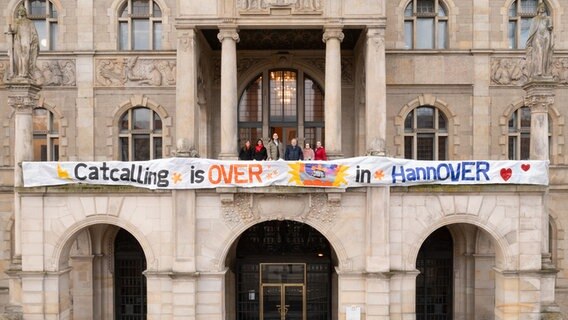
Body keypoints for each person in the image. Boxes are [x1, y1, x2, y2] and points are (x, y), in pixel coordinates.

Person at [9, 5, 39, 80]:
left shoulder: (30, 22)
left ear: (25, 12)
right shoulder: (16, 21)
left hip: (26, 41)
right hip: (17, 41)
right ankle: (18, 73)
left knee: (26, 57)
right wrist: (10, 30)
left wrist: (34, 42)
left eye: (23, 10)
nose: (21, 12)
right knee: (17, 57)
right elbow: (13, 30)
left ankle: (25, 73)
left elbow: (34, 34)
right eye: (20, 10)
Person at [525, 2, 554, 78]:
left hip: (546, 36)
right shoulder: (535, 19)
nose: (542, 8)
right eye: (540, 7)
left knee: (545, 54)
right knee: (539, 52)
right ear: (538, 8)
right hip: (537, 37)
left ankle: (544, 71)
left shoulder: (548, 18)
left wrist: (550, 28)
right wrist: (529, 42)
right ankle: (539, 70)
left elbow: (551, 27)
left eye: (543, 7)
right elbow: (531, 30)